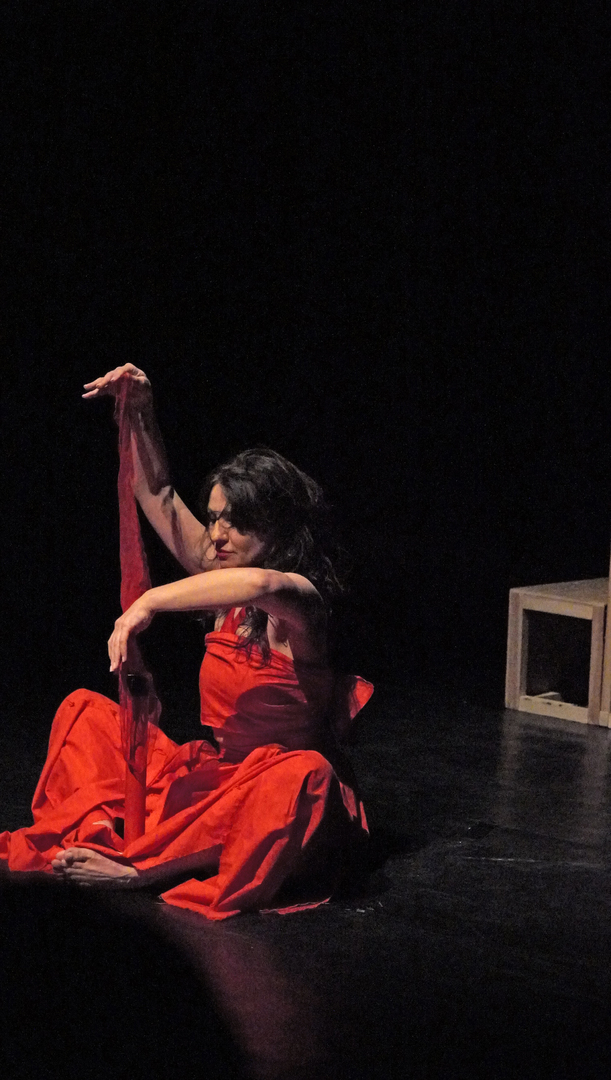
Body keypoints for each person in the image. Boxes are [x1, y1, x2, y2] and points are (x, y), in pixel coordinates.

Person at [0, 365, 373, 920]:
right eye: (215, 519)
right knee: (84, 715)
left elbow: (262, 584)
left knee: (305, 776)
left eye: (235, 522)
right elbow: (158, 493)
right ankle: (116, 836)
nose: (216, 535)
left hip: (276, 792)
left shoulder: (302, 599)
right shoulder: (224, 569)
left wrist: (149, 602)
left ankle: (140, 870)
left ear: (278, 527)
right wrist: (141, 412)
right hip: (222, 777)